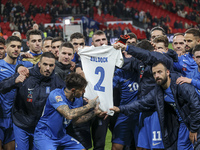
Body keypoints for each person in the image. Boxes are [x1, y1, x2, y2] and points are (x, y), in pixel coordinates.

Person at [110, 61, 200, 150]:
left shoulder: (180, 85)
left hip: (196, 121)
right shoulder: (158, 91)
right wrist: (120, 109)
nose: (157, 76)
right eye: (154, 73)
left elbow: (196, 105)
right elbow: (141, 103)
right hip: (184, 124)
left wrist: (194, 129)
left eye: (159, 72)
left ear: (167, 72)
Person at [0, 52, 65, 150]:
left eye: (51, 65)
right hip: (21, 124)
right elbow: (2, 87)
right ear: (39, 64)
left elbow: (69, 97)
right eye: (45, 64)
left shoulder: (57, 82)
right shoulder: (26, 74)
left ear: (54, 66)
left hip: (41, 128)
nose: (48, 68)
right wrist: (14, 81)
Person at [34, 73, 103, 149]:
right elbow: (69, 114)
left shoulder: (78, 99)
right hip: (45, 135)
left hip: (61, 136)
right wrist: (89, 106)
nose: (84, 91)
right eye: (82, 89)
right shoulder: (56, 95)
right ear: (73, 90)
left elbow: (76, 120)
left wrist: (94, 112)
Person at [0, 36, 32, 150]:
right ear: (5, 48)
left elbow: (43, 66)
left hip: (15, 118)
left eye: (18, 47)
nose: (16, 49)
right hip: (1, 115)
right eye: (12, 46)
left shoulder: (26, 65)